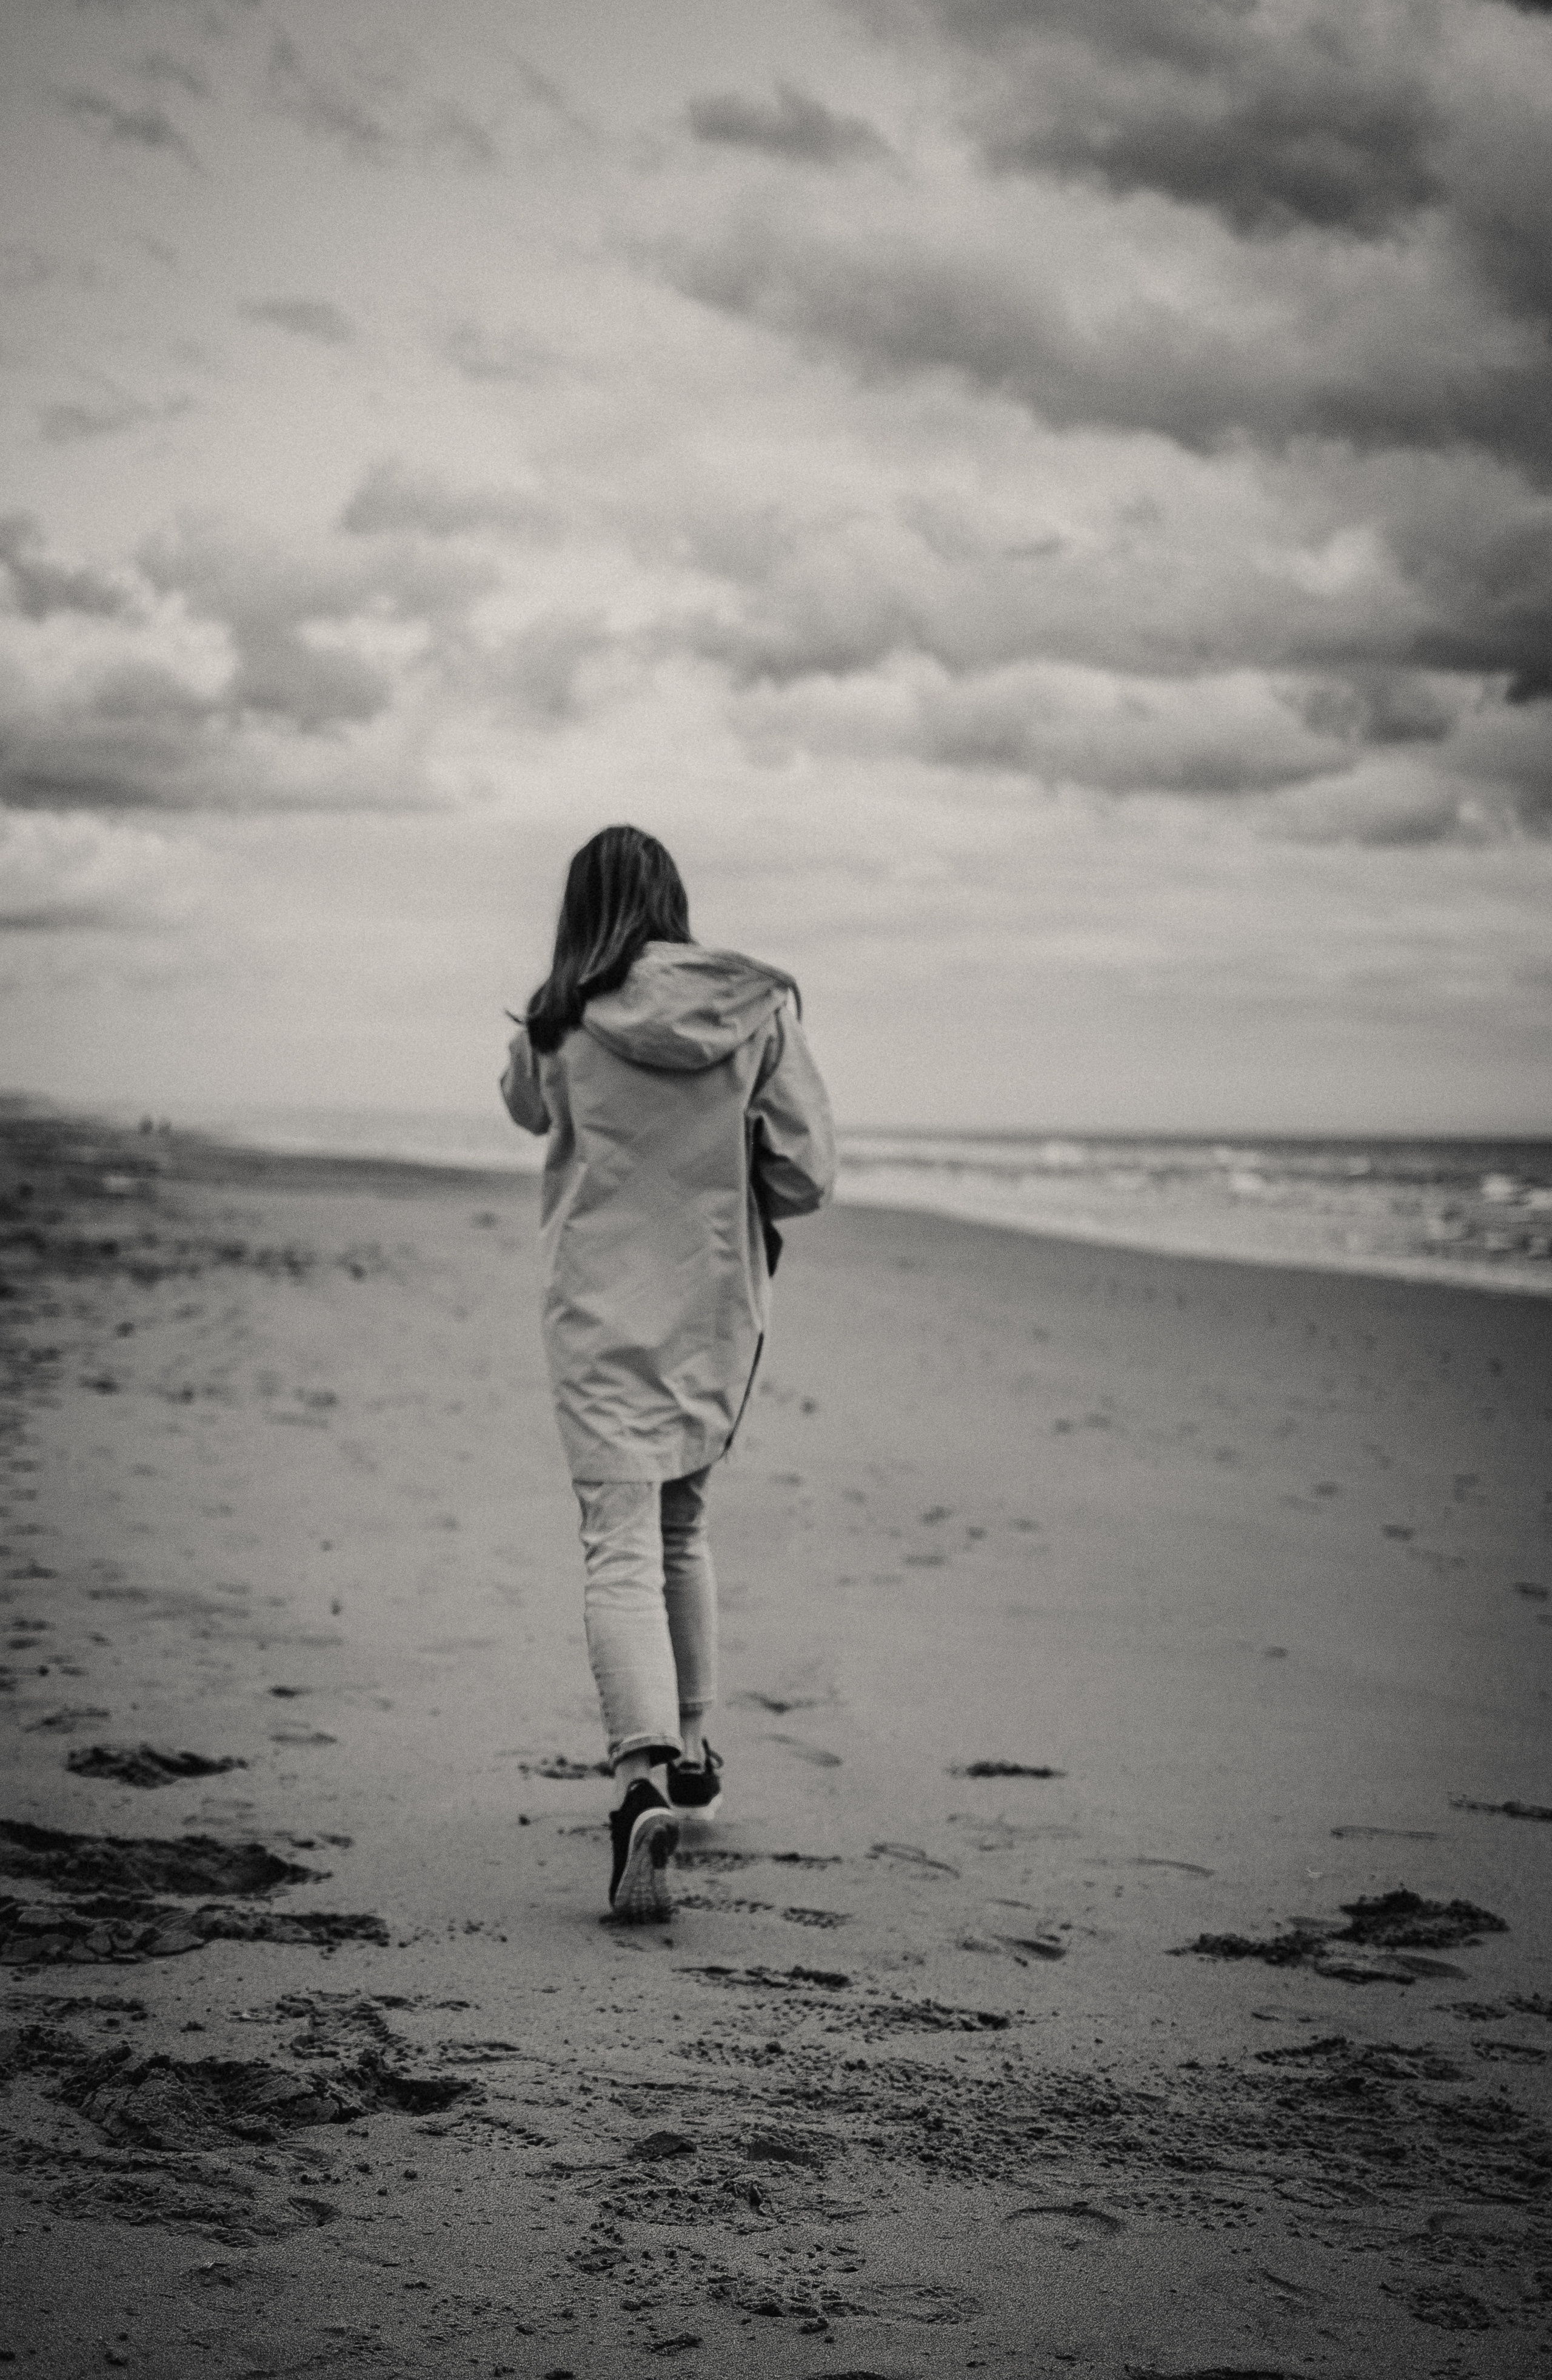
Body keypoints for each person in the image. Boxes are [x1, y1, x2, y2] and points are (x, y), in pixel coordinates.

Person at [500, 825, 836, 1922]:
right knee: (683, 1525)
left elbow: (526, 1110)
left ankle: (641, 1780)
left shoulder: (559, 1016)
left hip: (597, 1314)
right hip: (711, 1307)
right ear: (674, 900)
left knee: (618, 1545)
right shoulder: (753, 1011)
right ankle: (692, 1751)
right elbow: (805, 1174)